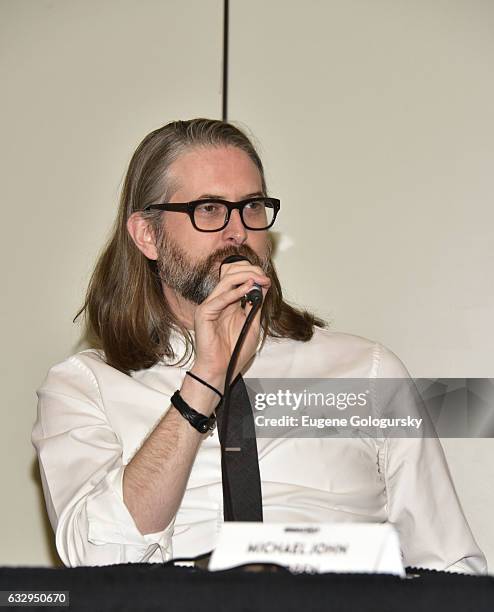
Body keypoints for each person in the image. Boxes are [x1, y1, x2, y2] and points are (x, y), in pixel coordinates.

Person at [33, 118, 486, 572]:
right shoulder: (85, 387)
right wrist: (205, 380)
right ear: (148, 235)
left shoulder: (367, 371)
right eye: (208, 209)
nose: (237, 232)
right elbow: (98, 564)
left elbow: (451, 567)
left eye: (251, 207)